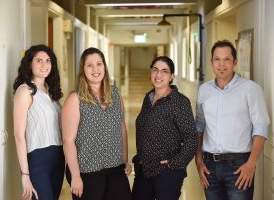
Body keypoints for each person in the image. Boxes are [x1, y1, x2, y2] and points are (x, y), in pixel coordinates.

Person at [195, 40, 270, 200]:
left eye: (226, 59)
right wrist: (199, 161)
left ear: (235, 62)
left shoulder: (251, 89)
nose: (221, 64)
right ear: (211, 62)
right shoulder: (204, 90)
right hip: (210, 166)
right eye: (217, 59)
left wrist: (251, 163)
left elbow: (261, 128)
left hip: (239, 166)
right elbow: (199, 127)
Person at [62, 47, 132, 200]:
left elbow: (121, 128)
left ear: (104, 67)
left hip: (115, 168)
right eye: (89, 65)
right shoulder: (75, 99)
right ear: (83, 69)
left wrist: (125, 160)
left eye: (99, 64)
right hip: (87, 170)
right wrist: (75, 176)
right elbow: (68, 141)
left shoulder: (115, 95)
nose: (95, 69)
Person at [132, 56, 198, 200]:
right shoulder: (148, 98)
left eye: (164, 71)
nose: (158, 75)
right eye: (155, 70)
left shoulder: (179, 102)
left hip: (167, 173)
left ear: (171, 76)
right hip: (144, 169)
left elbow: (191, 138)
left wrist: (174, 164)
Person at [13, 44, 65, 200]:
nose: (44, 65)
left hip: (58, 157)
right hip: (37, 160)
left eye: (48, 61)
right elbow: (18, 135)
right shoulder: (25, 91)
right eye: (39, 60)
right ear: (29, 64)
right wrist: (25, 174)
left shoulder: (51, 91)